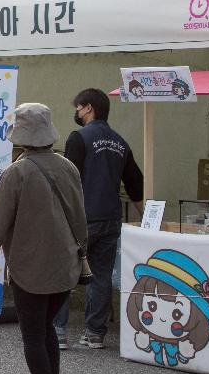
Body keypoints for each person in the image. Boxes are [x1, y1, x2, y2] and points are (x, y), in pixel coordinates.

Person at [0, 103, 85, 374]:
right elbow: (80, 217)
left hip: (30, 267)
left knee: (33, 334)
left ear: (20, 135)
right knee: (46, 329)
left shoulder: (16, 172)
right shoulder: (68, 167)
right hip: (65, 266)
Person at [56, 87, 144, 349]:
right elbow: (135, 184)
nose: (76, 111)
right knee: (101, 275)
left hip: (80, 217)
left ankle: (58, 332)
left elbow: (69, 181)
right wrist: (147, 218)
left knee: (65, 272)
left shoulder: (78, 138)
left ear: (88, 108)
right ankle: (95, 333)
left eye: (78, 107)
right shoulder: (121, 142)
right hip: (110, 217)